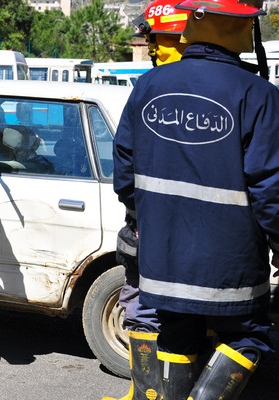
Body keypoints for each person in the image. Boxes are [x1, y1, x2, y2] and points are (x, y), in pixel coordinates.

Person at [113, 0, 279, 398]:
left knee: (175, 336)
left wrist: (143, 223)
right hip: (231, 263)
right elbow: (270, 187)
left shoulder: (149, 86)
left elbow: (124, 173)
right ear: (239, 27)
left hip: (163, 258)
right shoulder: (258, 94)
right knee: (248, 338)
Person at [103, 1, 190, 399]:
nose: (149, 48)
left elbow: (125, 160)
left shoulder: (148, 88)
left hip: (152, 224)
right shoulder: (237, 85)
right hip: (210, 232)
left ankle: (145, 395)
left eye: (152, 40)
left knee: (141, 304)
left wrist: (135, 211)